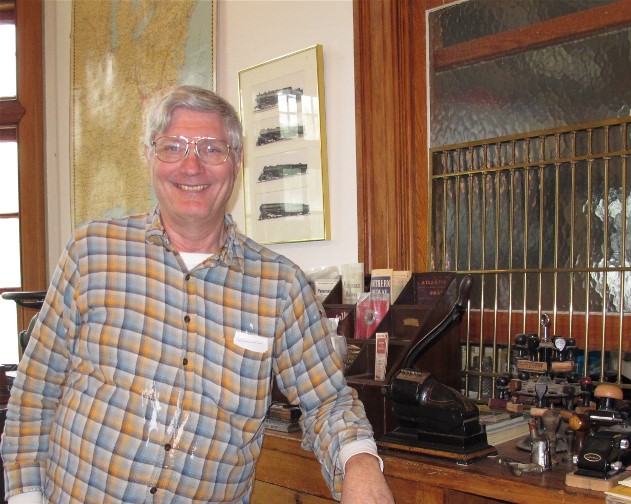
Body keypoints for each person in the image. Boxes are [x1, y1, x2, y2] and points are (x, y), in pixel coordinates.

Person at [1, 86, 395, 504]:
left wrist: (360, 463)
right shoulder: (92, 252)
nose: (191, 166)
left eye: (211, 149)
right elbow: (36, 390)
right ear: (150, 157)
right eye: (173, 147)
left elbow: (328, 401)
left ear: (236, 162)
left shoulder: (281, 286)